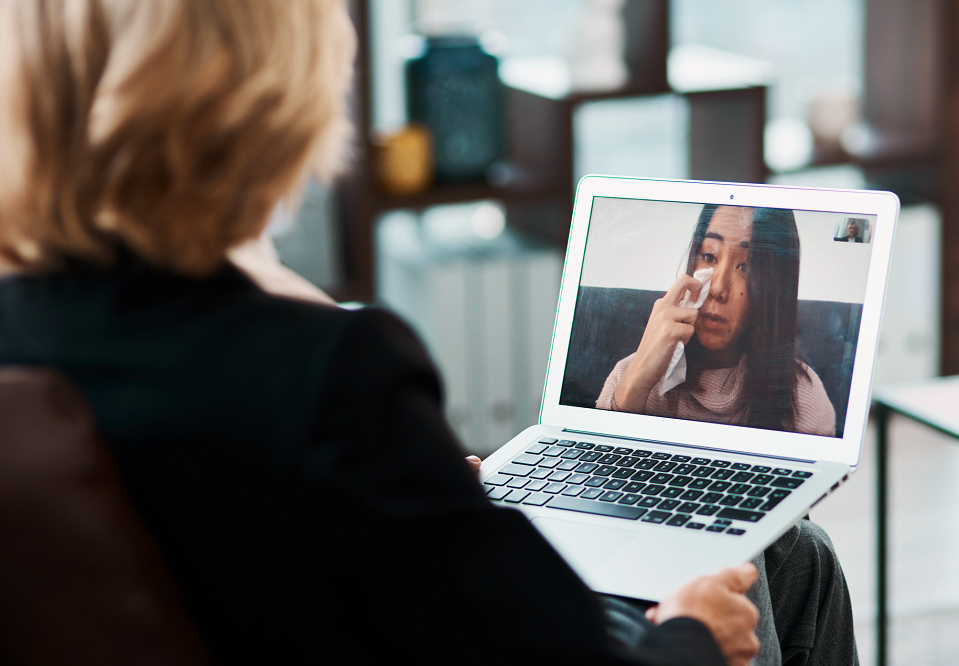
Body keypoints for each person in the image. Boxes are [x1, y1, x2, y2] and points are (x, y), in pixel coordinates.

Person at [0, 1, 856, 664]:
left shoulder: (23, 331)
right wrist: (693, 641)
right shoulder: (325, 373)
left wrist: (423, 490)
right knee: (743, 577)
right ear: (272, 103)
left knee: (800, 559)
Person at [597, 204, 837, 437]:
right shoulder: (630, 373)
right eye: (709, 256)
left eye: (746, 266)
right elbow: (603, 460)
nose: (718, 288)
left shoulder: (803, 398)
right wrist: (636, 383)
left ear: (774, 286)